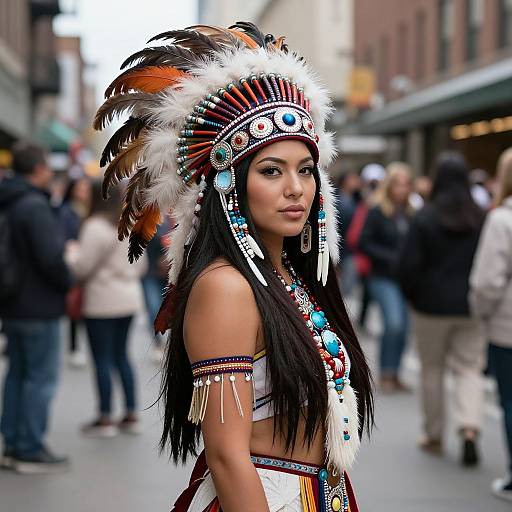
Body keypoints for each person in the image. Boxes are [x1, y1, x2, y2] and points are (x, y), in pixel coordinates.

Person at [95, 23, 374, 511]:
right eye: (272, 171)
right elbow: (226, 456)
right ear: (231, 185)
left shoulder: (287, 274)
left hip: (321, 494)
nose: (296, 188)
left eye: (305, 170)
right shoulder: (226, 287)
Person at [399, 151, 486, 466]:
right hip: (470, 306)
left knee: (432, 369)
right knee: (468, 368)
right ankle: (470, 427)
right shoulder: (480, 217)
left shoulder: (425, 217)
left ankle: (434, 434)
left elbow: (408, 265)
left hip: (430, 306)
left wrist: (413, 295)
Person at [0, 142, 72, 473]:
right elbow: (51, 259)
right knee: (39, 378)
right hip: (39, 304)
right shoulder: (34, 206)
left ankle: (13, 442)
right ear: (38, 169)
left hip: (13, 303)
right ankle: (28, 446)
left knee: (17, 374)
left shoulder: (10, 202)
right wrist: (66, 281)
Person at [65, 182, 146, 437]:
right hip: (129, 298)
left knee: (102, 359)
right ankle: (131, 413)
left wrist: (71, 254)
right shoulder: (130, 224)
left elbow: (82, 268)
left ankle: (105, 418)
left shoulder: (94, 227)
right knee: (122, 356)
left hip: (101, 301)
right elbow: (140, 266)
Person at [470, 147, 512, 500]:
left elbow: (487, 282)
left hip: (507, 326)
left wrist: (480, 312)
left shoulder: (501, 220)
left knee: (510, 401)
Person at [359, 162, 413, 393]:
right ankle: (386, 372)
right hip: (383, 276)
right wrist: (390, 257)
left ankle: (396, 371)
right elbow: (364, 242)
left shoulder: (411, 211)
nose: (402, 189)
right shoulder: (377, 209)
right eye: (398, 184)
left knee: (405, 328)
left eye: (405, 184)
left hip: (406, 277)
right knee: (393, 323)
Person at [59, 176, 92, 367]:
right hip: (72, 264)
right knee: (74, 306)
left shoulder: (92, 212)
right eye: (80, 188)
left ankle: (82, 345)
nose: (83, 193)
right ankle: (74, 347)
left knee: (86, 305)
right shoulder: (66, 212)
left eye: (86, 189)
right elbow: (63, 237)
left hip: (87, 263)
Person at [336, 170, 361, 295]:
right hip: (345, 250)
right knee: (346, 287)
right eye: (353, 179)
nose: (357, 182)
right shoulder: (341, 201)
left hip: (350, 249)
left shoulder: (354, 199)